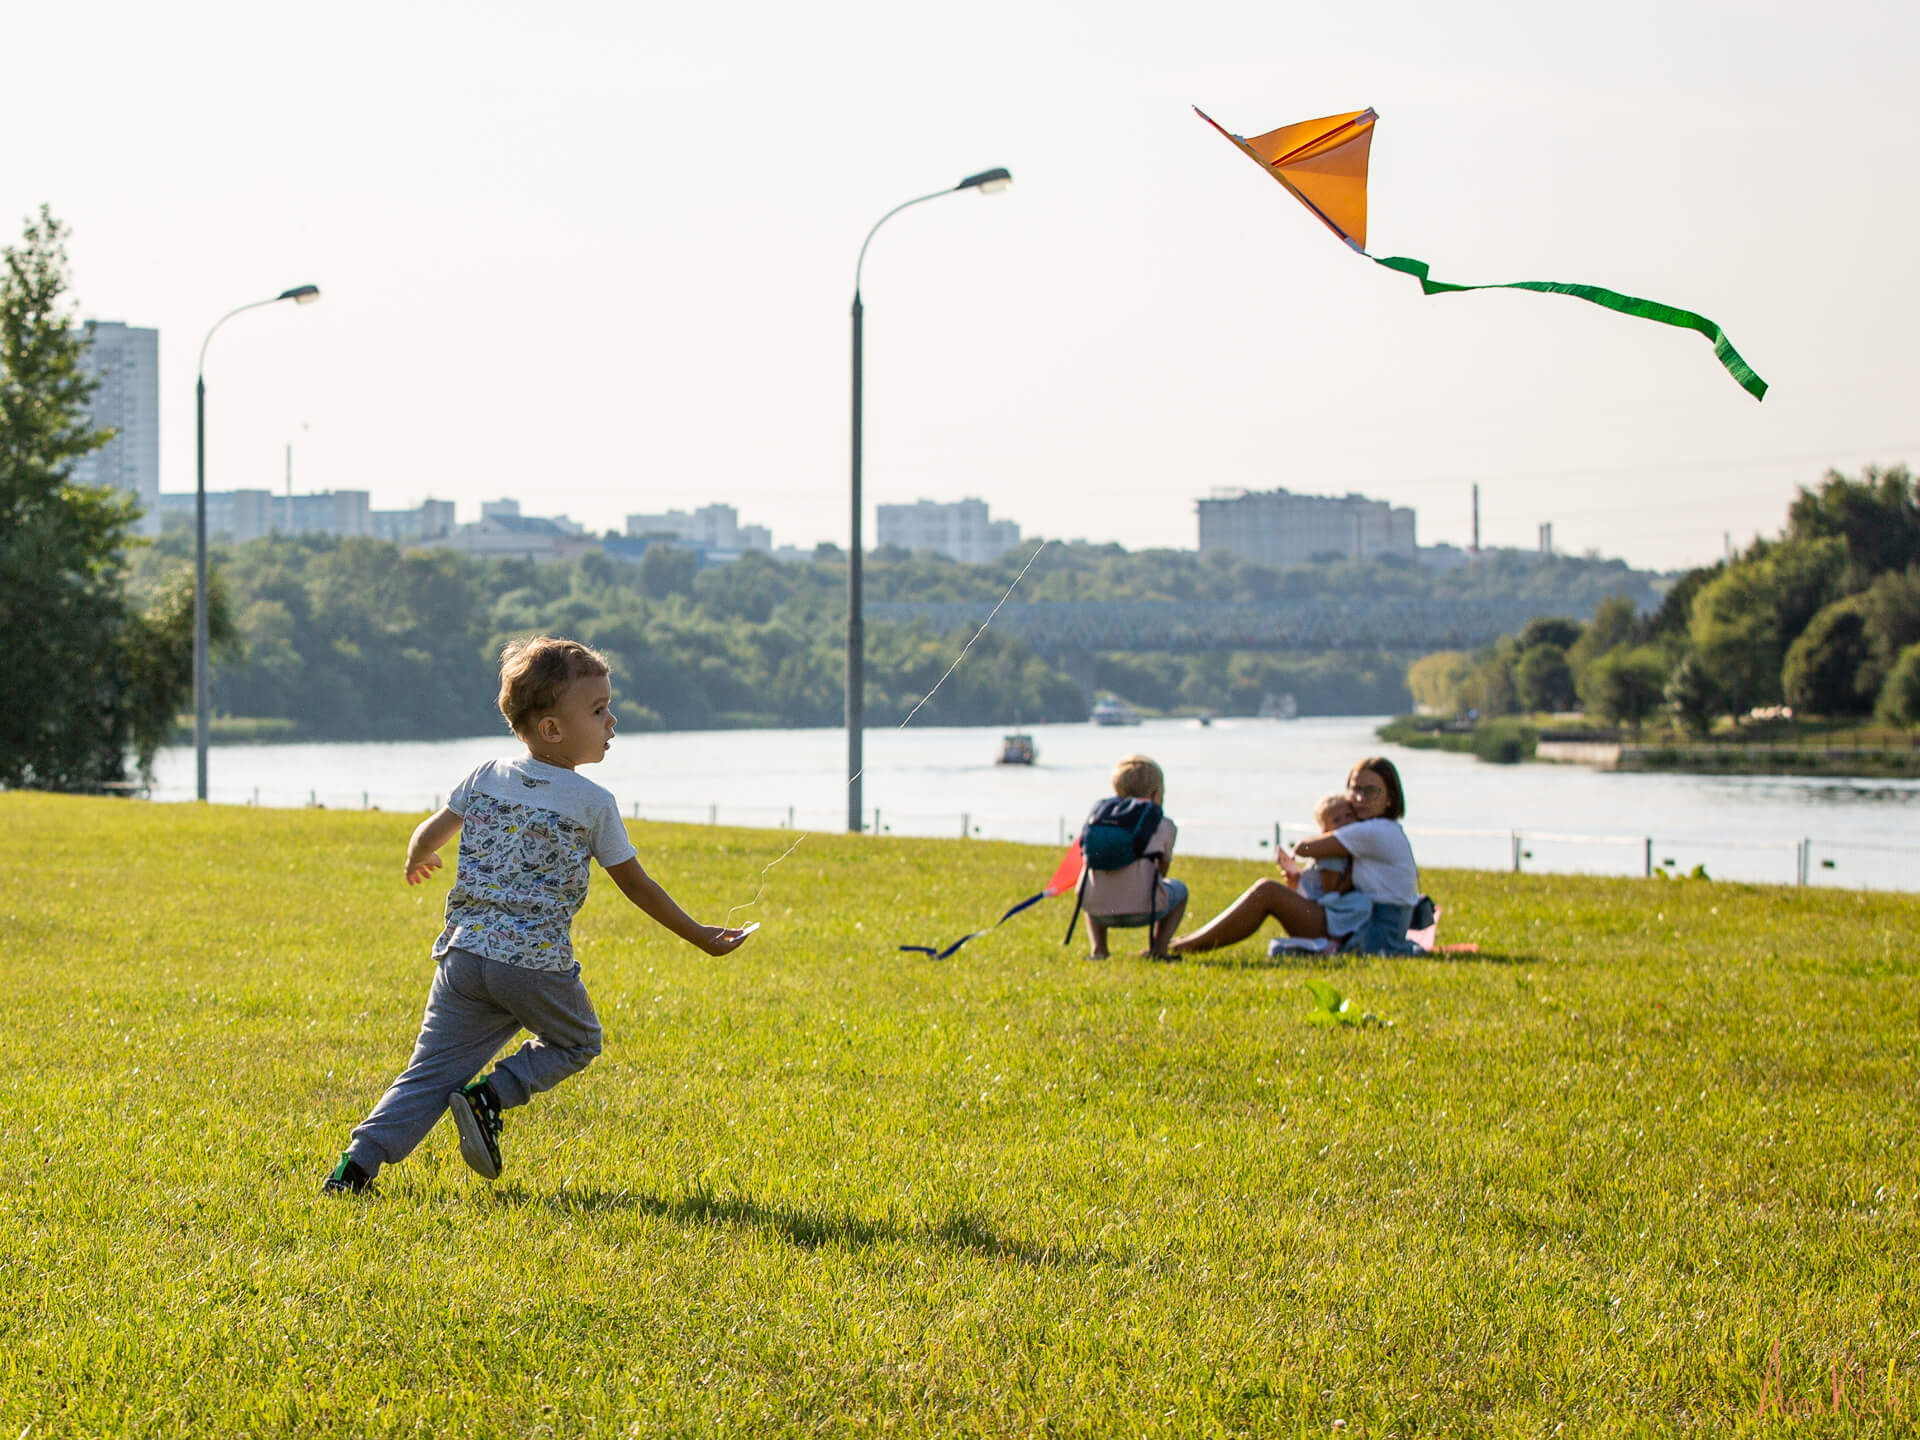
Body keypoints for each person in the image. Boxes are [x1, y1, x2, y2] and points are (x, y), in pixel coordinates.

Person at [322, 637, 752, 1195]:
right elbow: (637, 886)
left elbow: (430, 831)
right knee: (578, 1042)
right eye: (598, 712)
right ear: (552, 729)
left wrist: (417, 856)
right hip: (532, 964)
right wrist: (699, 936)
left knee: (427, 1072)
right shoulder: (592, 802)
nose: (612, 721)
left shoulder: (485, 775)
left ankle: (352, 1171)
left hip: (464, 954)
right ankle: (489, 1097)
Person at [1168, 756, 1420, 957]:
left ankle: (1186, 945)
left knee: (1267, 891)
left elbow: (1304, 849)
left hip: (1369, 934)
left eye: (1371, 791)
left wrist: (1331, 826)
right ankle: (1185, 943)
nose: (1360, 799)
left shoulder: (1373, 831)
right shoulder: (1385, 830)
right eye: (1355, 790)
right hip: (1365, 924)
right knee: (1272, 892)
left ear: (1389, 798)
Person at [1080, 754, 1188, 961]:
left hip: (1097, 910)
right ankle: (1159, 949)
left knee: (1094, 886)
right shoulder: (1163, 825)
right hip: (1145, 909)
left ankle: (1099, 949)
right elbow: (1162, 870)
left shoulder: (1098, 821)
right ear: (1157, 794)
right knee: (1180, 890)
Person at [1272, 793, 1373, 953]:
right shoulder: (1332, 854)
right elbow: (1330, 890)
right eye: (1337, 820)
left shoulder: (1344, 849)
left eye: (1349, 815)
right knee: (1361, 904)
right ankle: (1334, 941)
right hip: (1320, 901)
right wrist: (1351, 872)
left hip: (1317, 897)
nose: (1345, 822)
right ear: (1324, 829)